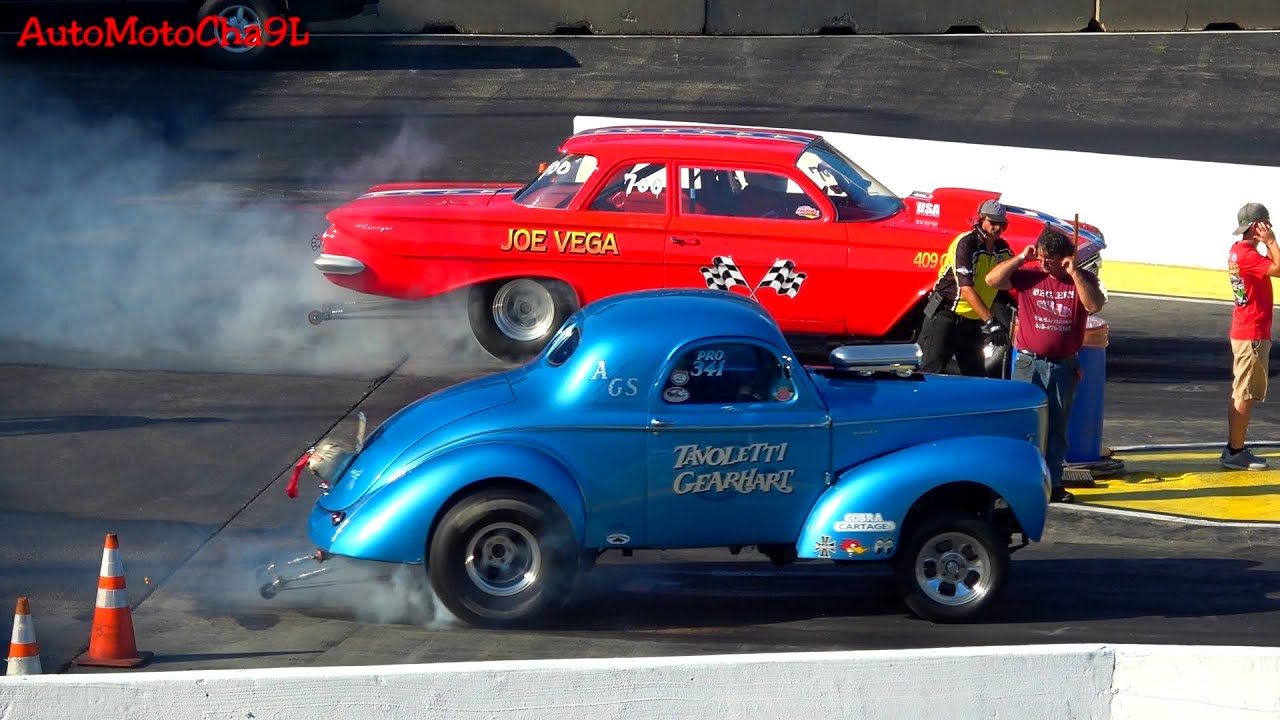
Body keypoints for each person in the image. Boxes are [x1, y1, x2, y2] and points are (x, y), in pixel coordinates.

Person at [986, 223, 1107, 503]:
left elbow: (1094, 305)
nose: (1042, 262)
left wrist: (1074, 272)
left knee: (1056, 428)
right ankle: (1015, 482)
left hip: (1063, 365)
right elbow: (992, 281)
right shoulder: (1028, 276)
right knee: (1022, 424)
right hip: (1029, 363)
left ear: (1064, 258)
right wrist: (1021, 258)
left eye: (1047, 259)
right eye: (1040, 256)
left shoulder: (1081, 280)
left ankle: (1052, 482)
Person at [916, 199, 1014, 375]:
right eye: (993, 223)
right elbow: (966, 289)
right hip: (944, 317)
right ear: (981, 220)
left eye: (1002, 225)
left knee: (975, 377)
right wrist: (992, 322)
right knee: (929, 374)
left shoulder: (1002, 248)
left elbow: (1016, 276)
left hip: (972, 324)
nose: (998, 229)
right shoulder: (966, 243)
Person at [1222, 203, 1280, 470]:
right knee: (1244, 393)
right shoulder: (1248, 255)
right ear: (1258, 226)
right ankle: (1235, 450)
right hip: (1252, 333)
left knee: (1242, 391)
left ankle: (1235, 447)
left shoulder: (1238, 251)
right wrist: (1271, 242)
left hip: (1246, 329)